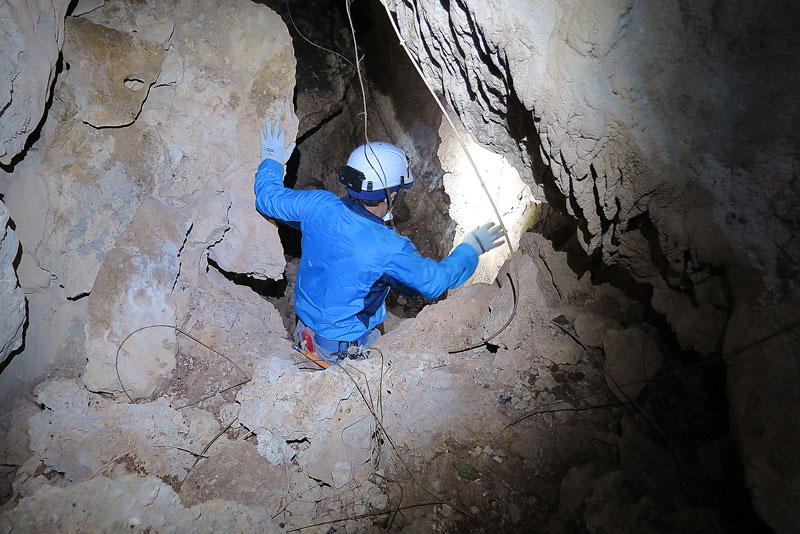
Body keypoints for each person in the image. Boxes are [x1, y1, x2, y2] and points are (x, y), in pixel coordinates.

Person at [254, 120, 503, 363]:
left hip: (305, 333)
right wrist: (471, 249)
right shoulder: (387, 247)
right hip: (344, 354)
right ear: (391, 194)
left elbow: (268, 198)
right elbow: (434, 282)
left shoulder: (318, 204)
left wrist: (272, 159)